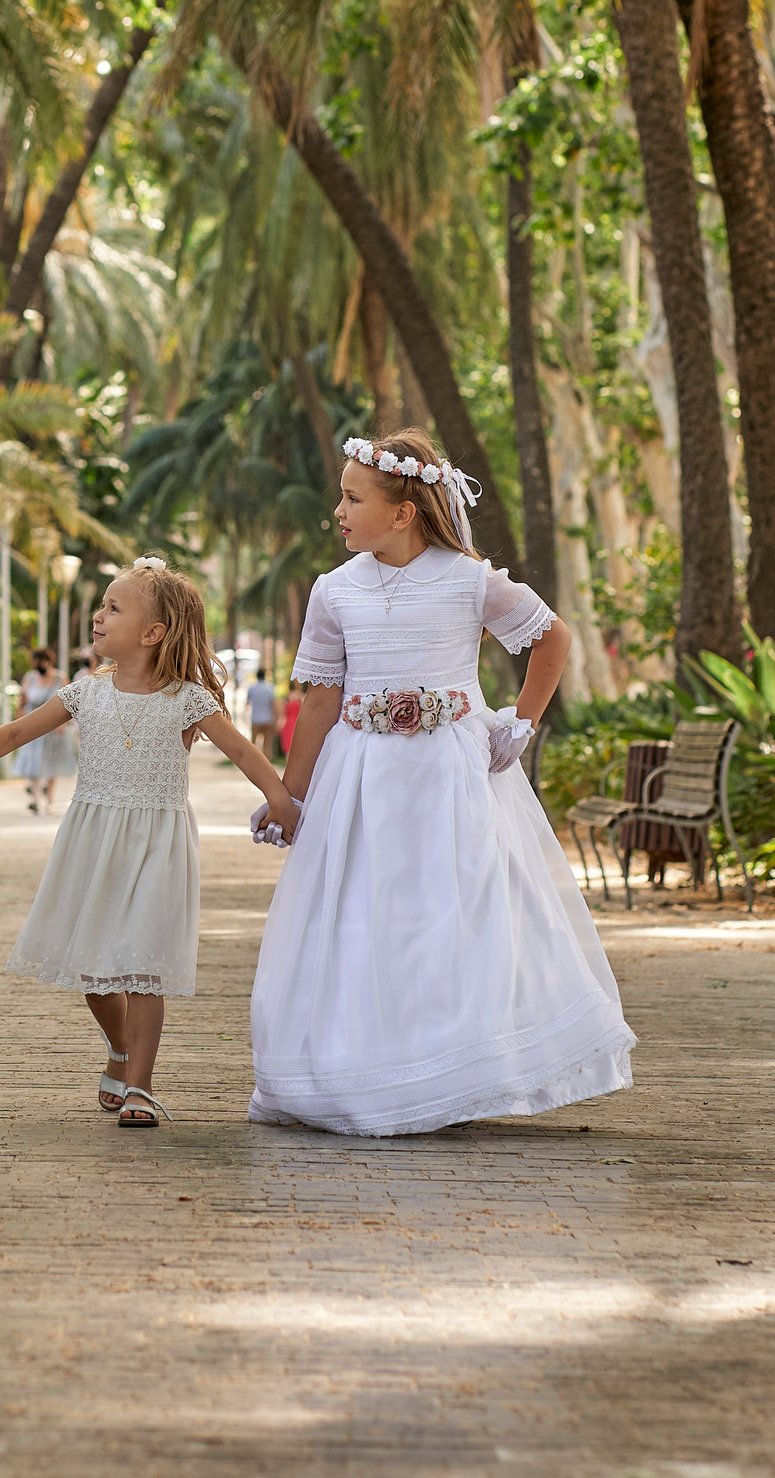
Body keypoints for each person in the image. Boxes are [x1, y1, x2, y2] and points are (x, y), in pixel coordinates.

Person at [246, 429, 634, 1136]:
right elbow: (322, 700)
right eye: (340, 494)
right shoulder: (334, 591)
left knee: (444, 913)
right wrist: (290, 794)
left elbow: (552, 639)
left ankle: (445, 1064)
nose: (337, 509)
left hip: (447, 776)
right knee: (362, 915)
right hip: (361, 778)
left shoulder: (466, 579)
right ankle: (359, 1066)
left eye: (352, 497)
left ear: (403, 512)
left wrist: (521, 722)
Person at [0, 558, 300, 1127]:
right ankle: (120, 1047)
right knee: (96, 972)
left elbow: (245, 751)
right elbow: (16, 732)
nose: (98, 617)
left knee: (144, 968)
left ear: (153, 634)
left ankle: (141, 1088)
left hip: (157, 843)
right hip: (94, 843)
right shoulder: (85, 693)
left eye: (113, 608)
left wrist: (279, 797)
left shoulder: (187, 699)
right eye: (101, 605)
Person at [10, 647, 76, 814]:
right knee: (33, 763)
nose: (40, 665)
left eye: (43, 661)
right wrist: (19, 722)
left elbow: (68, 703)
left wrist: (63, 724)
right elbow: (22, 701)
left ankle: (49, 799)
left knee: (52, 763)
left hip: (54, 728)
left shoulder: (60, 678)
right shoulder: (29, 678)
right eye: (36, 662)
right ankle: (35, 799)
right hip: (32, 727)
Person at [244, 664, 279, 760]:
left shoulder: (252, 688)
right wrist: (276, 718)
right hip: (267, 719)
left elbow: (247, 704)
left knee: (253, 744)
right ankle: (267, 764)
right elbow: (273, 705)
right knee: (267, 744)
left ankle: (252, 761)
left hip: (255, 719)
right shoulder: (270, 688)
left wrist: (245, 718)